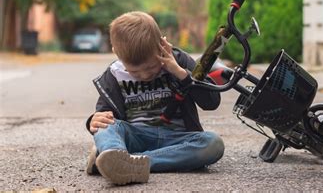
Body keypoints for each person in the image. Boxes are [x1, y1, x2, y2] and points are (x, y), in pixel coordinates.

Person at [85, 11, 224, 185]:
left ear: (162, 44)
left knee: (213, 144)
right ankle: (113, 155)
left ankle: (119, 162)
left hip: (177, 141)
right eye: (135, 72)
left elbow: (211, 102)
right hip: (136, 137)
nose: (144, 75)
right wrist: (95, 120)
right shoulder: (114, 75)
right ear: (116, 53)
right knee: (106, 127)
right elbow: (105, 113)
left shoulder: (179, 61)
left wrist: (181, 73)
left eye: (151, 68)